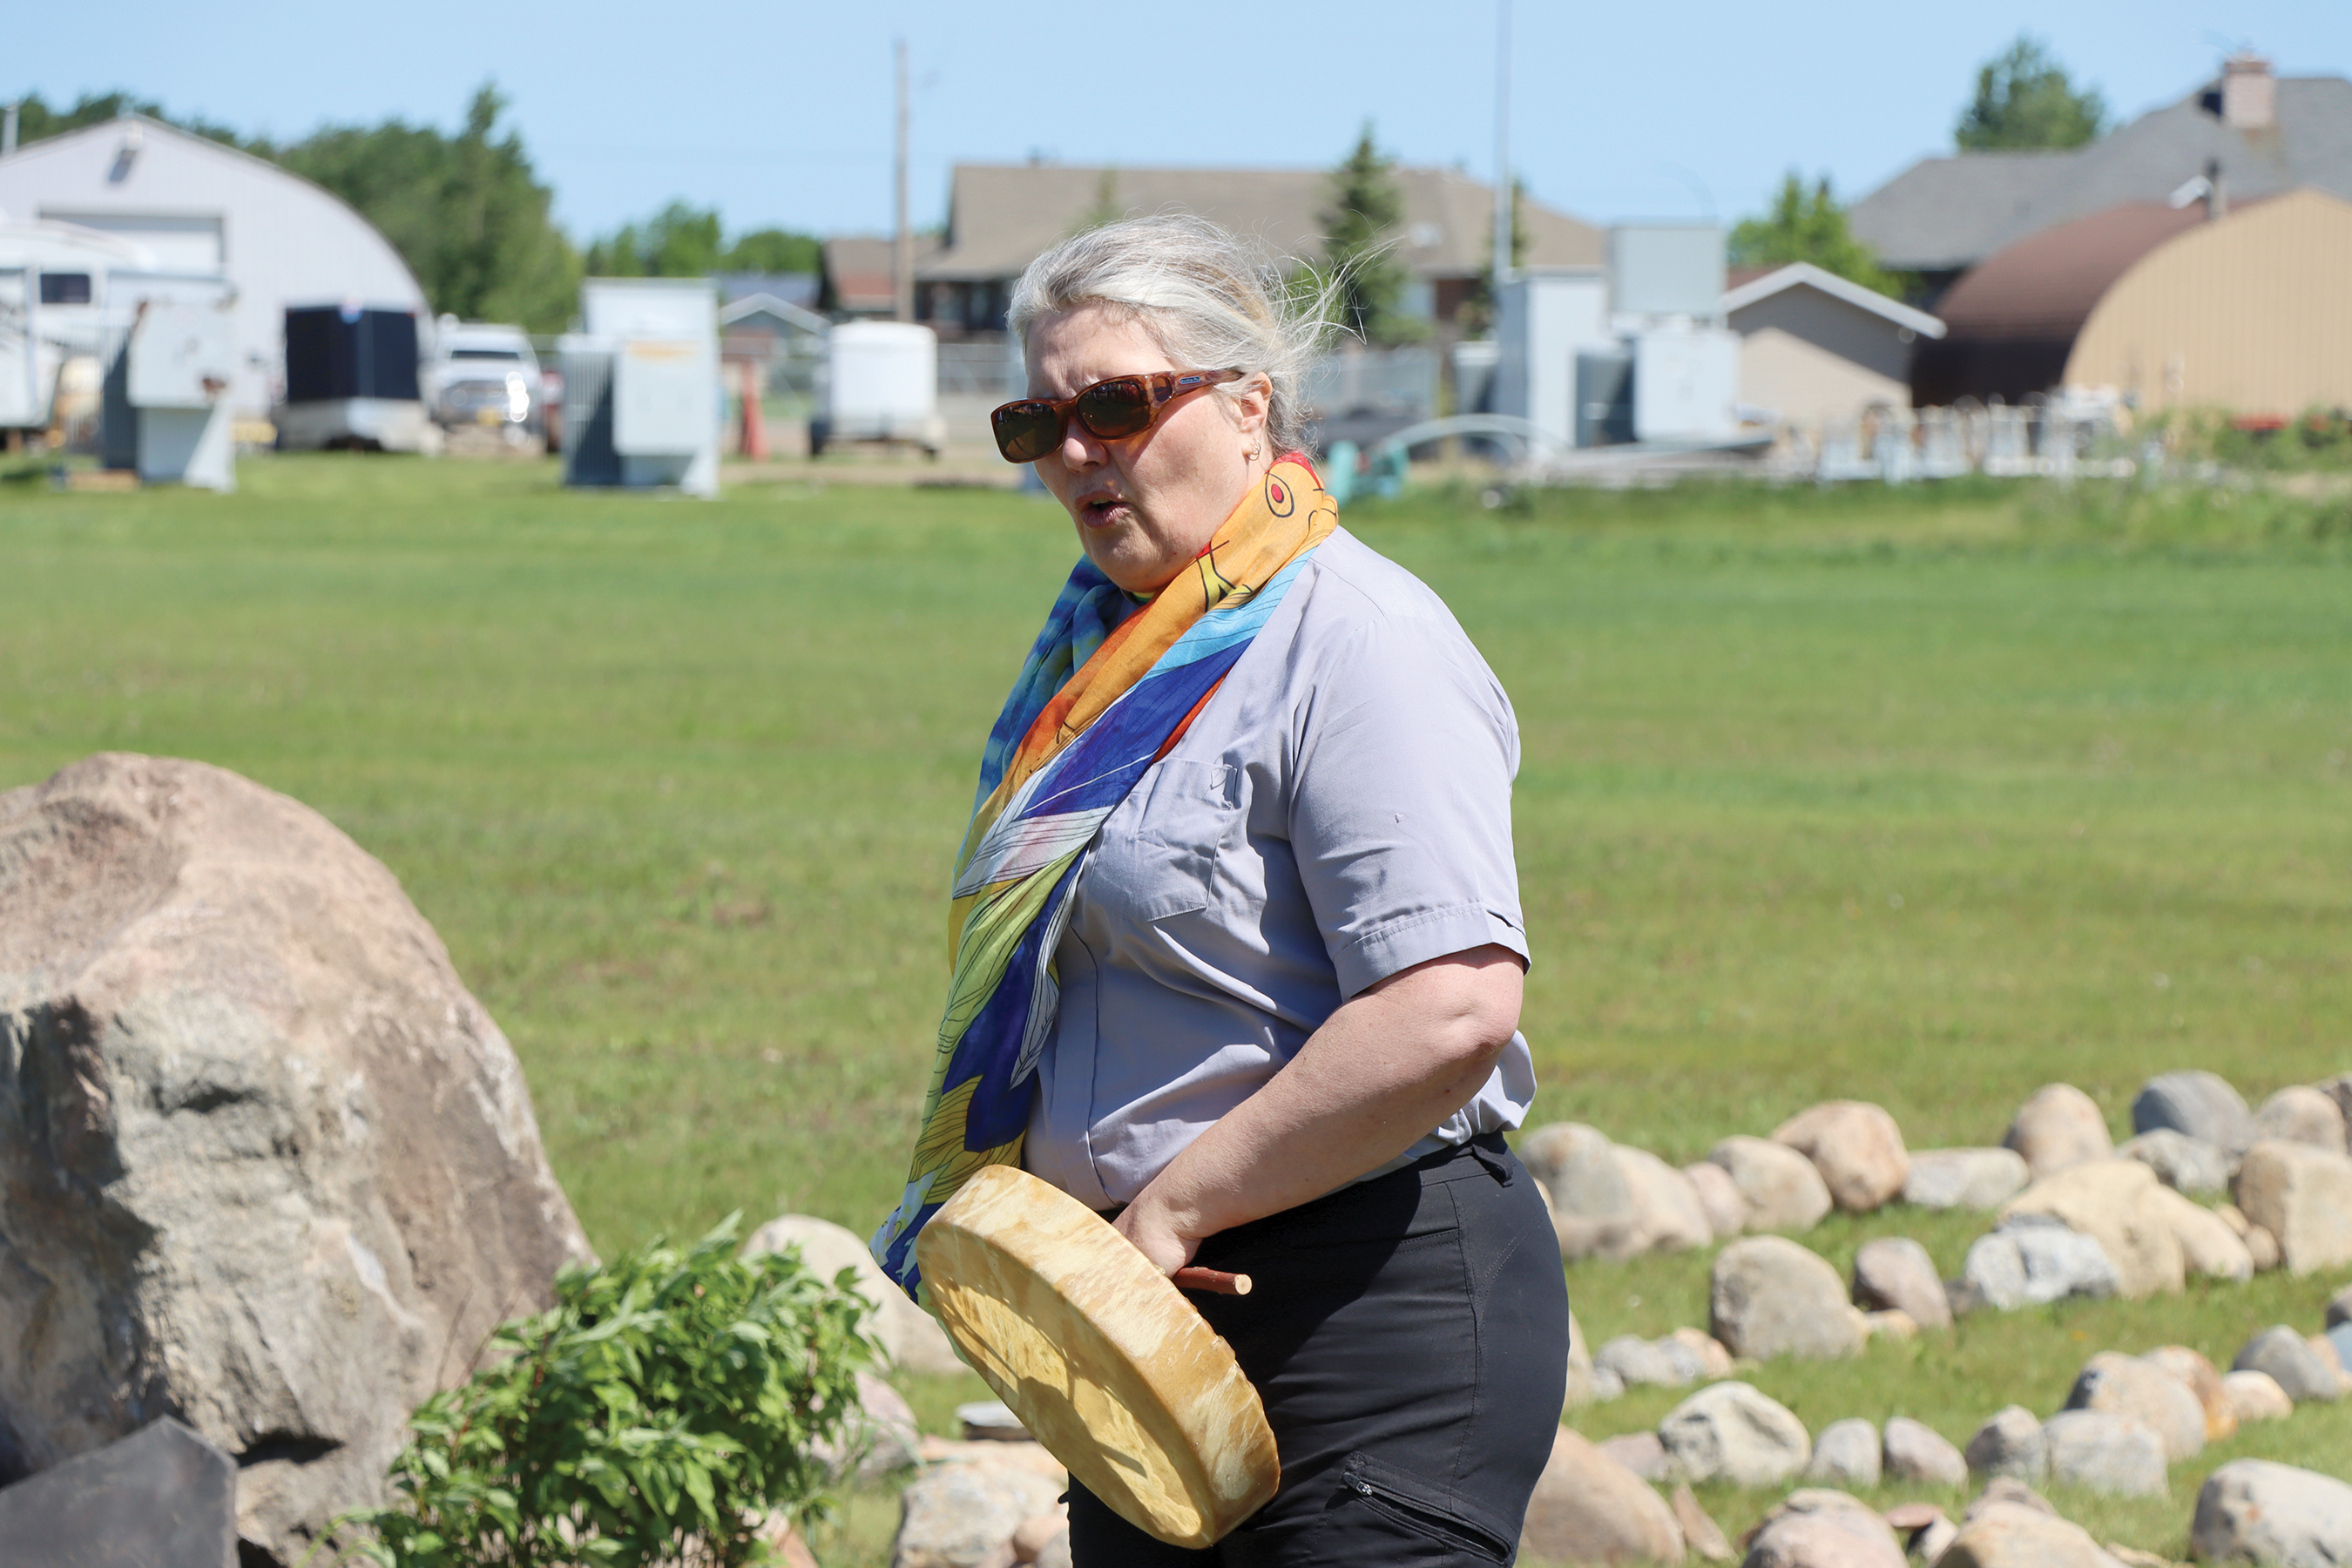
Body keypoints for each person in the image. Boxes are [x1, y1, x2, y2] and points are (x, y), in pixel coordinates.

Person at [871, 214, 1566, 1566]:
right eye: (1040, 422)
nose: (1079, 451)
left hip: (1367, 1320)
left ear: (1250, 408)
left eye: (1120, 404)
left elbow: (1450, 1009)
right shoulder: (1101, 666)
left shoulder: (1355, 641)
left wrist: (1176, 1206)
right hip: (1143, 1334)